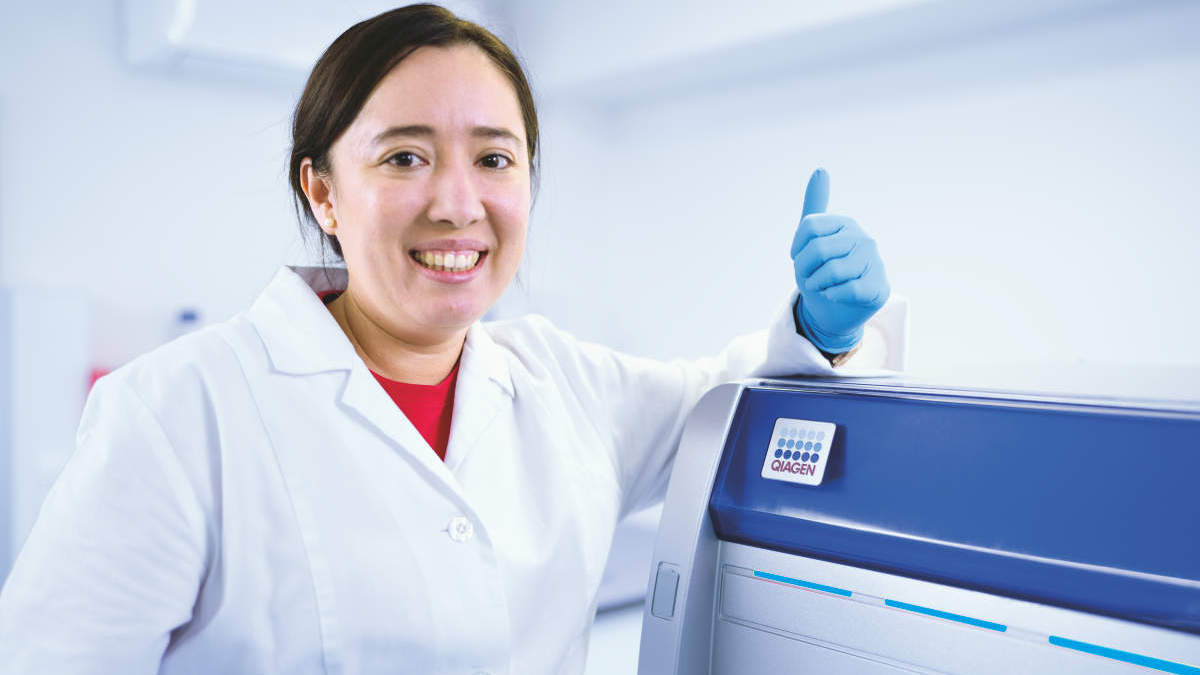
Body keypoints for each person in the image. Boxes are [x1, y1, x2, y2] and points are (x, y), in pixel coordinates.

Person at [0, 4, 905, 673]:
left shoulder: (563, 383)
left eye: (494, 158)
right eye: (404, 156)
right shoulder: (172, 413)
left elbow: (723, 400)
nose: (458, 203)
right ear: (321, 191)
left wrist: (818, 329)